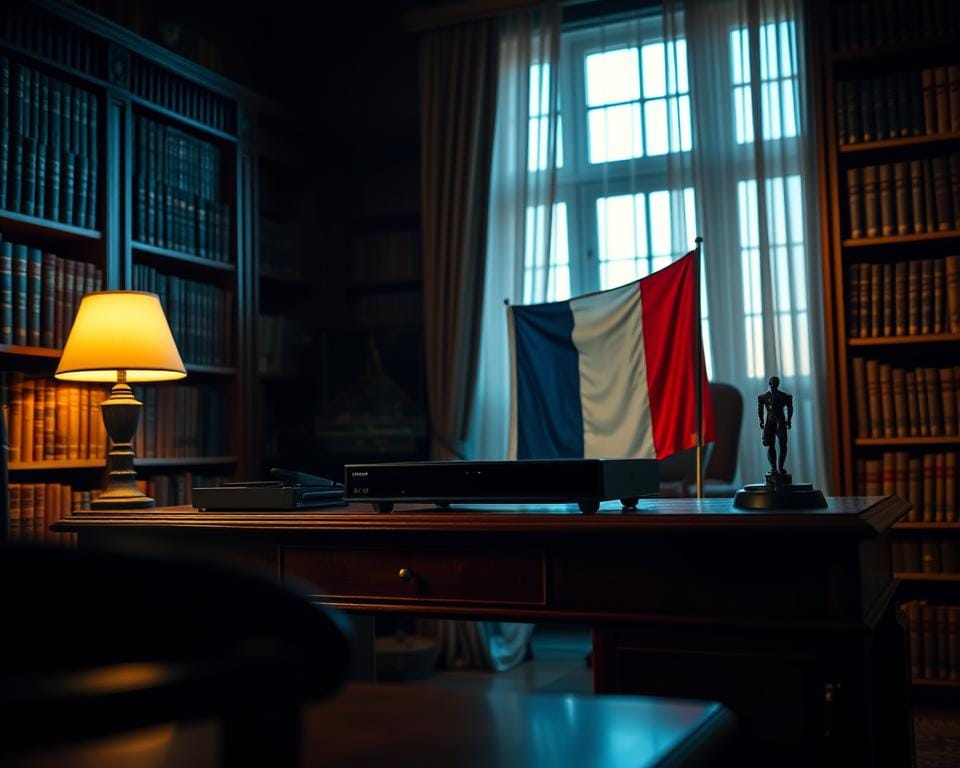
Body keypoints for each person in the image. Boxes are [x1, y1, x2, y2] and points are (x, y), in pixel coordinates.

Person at [758, 376, 792, 482]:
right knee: (770, 444)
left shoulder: (784, 396)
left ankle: (780, 467)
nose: (774, 384)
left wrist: (788, 420)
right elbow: (760, 410)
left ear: (778, 384)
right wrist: (761, 421)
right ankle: (773, 468)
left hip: (780, 420)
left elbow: (790, 408)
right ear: (769, 383)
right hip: (770, 421)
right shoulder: (763, 396)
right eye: (772, 382)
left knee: (783, 443)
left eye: (776, 382)